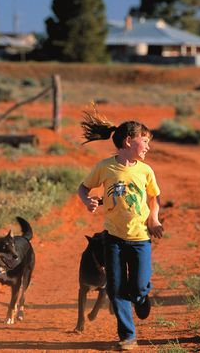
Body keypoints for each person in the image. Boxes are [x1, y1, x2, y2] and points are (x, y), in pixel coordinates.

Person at [77, 109, 163, 351]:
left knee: (137, 285)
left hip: (140, 238)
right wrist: (88, 201)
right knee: (115, 289)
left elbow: (154, 198)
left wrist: (154, 219)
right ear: (128, 141)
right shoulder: (105, 167)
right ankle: (128, 336)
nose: (147, 147)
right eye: (145, 141)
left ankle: (142, 296)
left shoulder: (145, 171)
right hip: (113, 238)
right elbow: (83, 188)